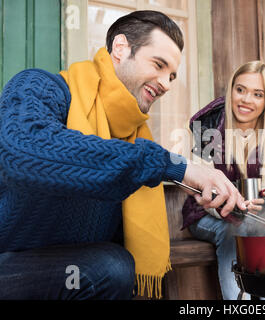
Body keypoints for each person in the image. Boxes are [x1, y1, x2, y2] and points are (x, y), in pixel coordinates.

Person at [0, 10, 245, 300]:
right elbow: (25, 152)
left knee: (114, 265)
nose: (166, 83)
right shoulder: (40, 87)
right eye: (158, 64)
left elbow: (122, 166)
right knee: (110, 268)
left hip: (73, 272)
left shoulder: (132, 135)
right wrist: (172, 165)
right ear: (120, 48)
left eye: (172, 76)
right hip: (11, 263)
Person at [181, 61, 265, 299]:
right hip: (206, 214)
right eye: (240, 90)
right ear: (231, 89)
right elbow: (201, 186)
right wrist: (231, 209)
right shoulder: (208, 126)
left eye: (257, 94)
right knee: (232, 233)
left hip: (251, 213)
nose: (246, 100)